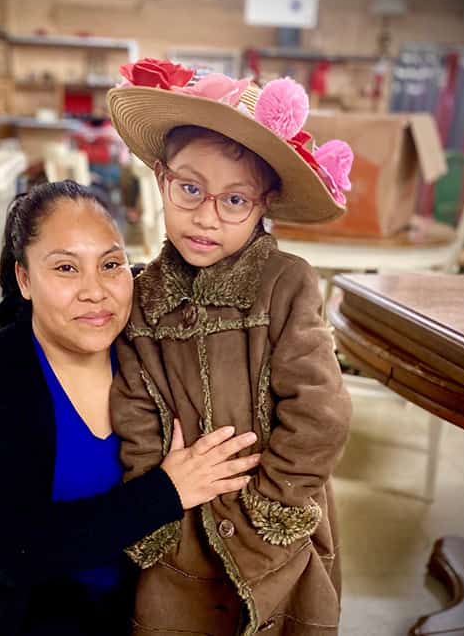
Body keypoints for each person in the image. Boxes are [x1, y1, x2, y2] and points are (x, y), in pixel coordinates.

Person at [0, 180, 261, 635]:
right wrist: (169, 490)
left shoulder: (154, 349)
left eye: (110, 264)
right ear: (24, 278)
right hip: (23, 618)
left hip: (141, 612)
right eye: (66, 268)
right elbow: (18, 553)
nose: (96, 291)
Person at [107, 60, 354, 635]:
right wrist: (155, 497)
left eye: (234, 200)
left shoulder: (287, 283)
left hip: (278, 527)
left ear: (263, 203)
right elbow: (135, 405)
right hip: (181, 523)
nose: (206, 216)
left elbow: (321, 411)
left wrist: (273, 505)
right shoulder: (141, 297)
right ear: (161, 178)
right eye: (189, 188)